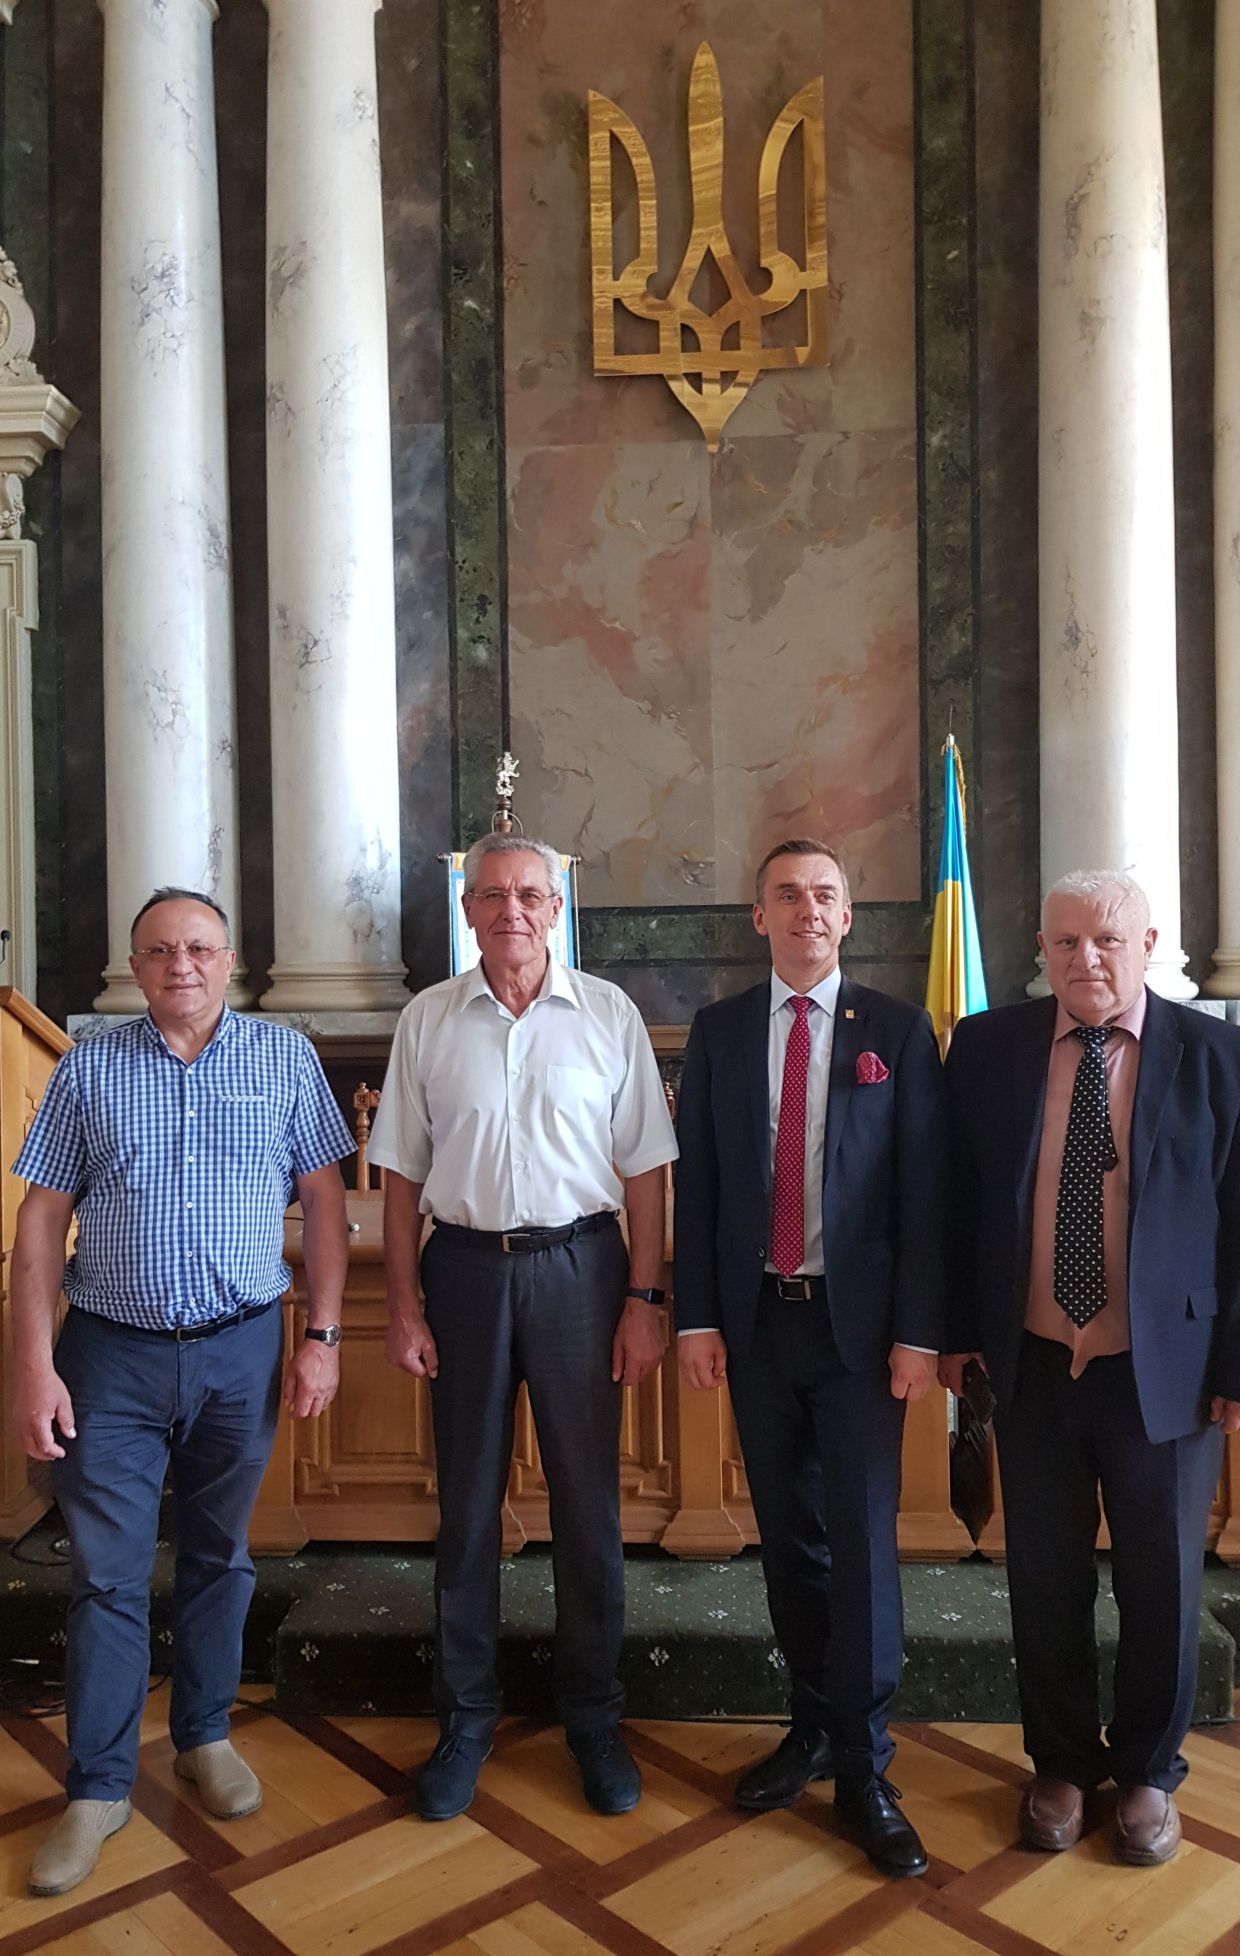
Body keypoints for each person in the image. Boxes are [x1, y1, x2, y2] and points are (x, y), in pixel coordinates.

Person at [11, 887, 353, 1897]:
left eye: (199, 948)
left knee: (218, 1555)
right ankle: (98, 1787)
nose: (182, 966)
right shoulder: (89, 1067)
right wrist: (32, 1364)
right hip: (109, 1357)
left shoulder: (283, 1059)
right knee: (106, 1576)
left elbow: (324, 1203)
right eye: (160, 951)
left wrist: (323, 1336)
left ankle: (204, 1735)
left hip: (240, 1349)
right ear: (137, 967)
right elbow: (41, 1222)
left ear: (229, 959)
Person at [369, 834, 677, 1822]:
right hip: (461, 1272)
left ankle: (593, 1717)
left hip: (582, 1272)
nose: (511, 910)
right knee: (466, 1510)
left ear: (556, 908)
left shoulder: (608, 1015)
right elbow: (400, 1174)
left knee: (588, 1509)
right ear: (467, 909)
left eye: (530, 895)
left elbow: (646, 1170)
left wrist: (644, 1299)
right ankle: (464, 1719)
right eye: (492, 894)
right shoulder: (428, 1018)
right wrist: (403, 1305)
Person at [942, 871, 1240, 1866]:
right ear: (1041, 949)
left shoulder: (1216, 1054)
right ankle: (1062, 1762)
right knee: (1044, 1578)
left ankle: (1150, 1771)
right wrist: (955, 1331)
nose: (1087, 960)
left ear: (1147, 945)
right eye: (1065, 942)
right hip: (1031, 1363)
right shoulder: (987, 1047)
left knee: (1162, 1582)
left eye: (1107, 940)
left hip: (1168, 1370)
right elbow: (957, 1200)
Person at [673, 838, 945, 1879]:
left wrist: (917, 1333)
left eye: (824, 894)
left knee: (863, 1544)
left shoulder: (897, 1031)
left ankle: (866, 1767)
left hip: (861, 1333)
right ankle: (812, 1725)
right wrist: (697, 1319)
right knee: (788, 1540)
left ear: (847, 914)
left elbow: (924, 1193)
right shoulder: (720, 1031)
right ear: (759, 916)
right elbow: (700, 1186)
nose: (806, 911)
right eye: (786, 895)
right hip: (757, 1324)